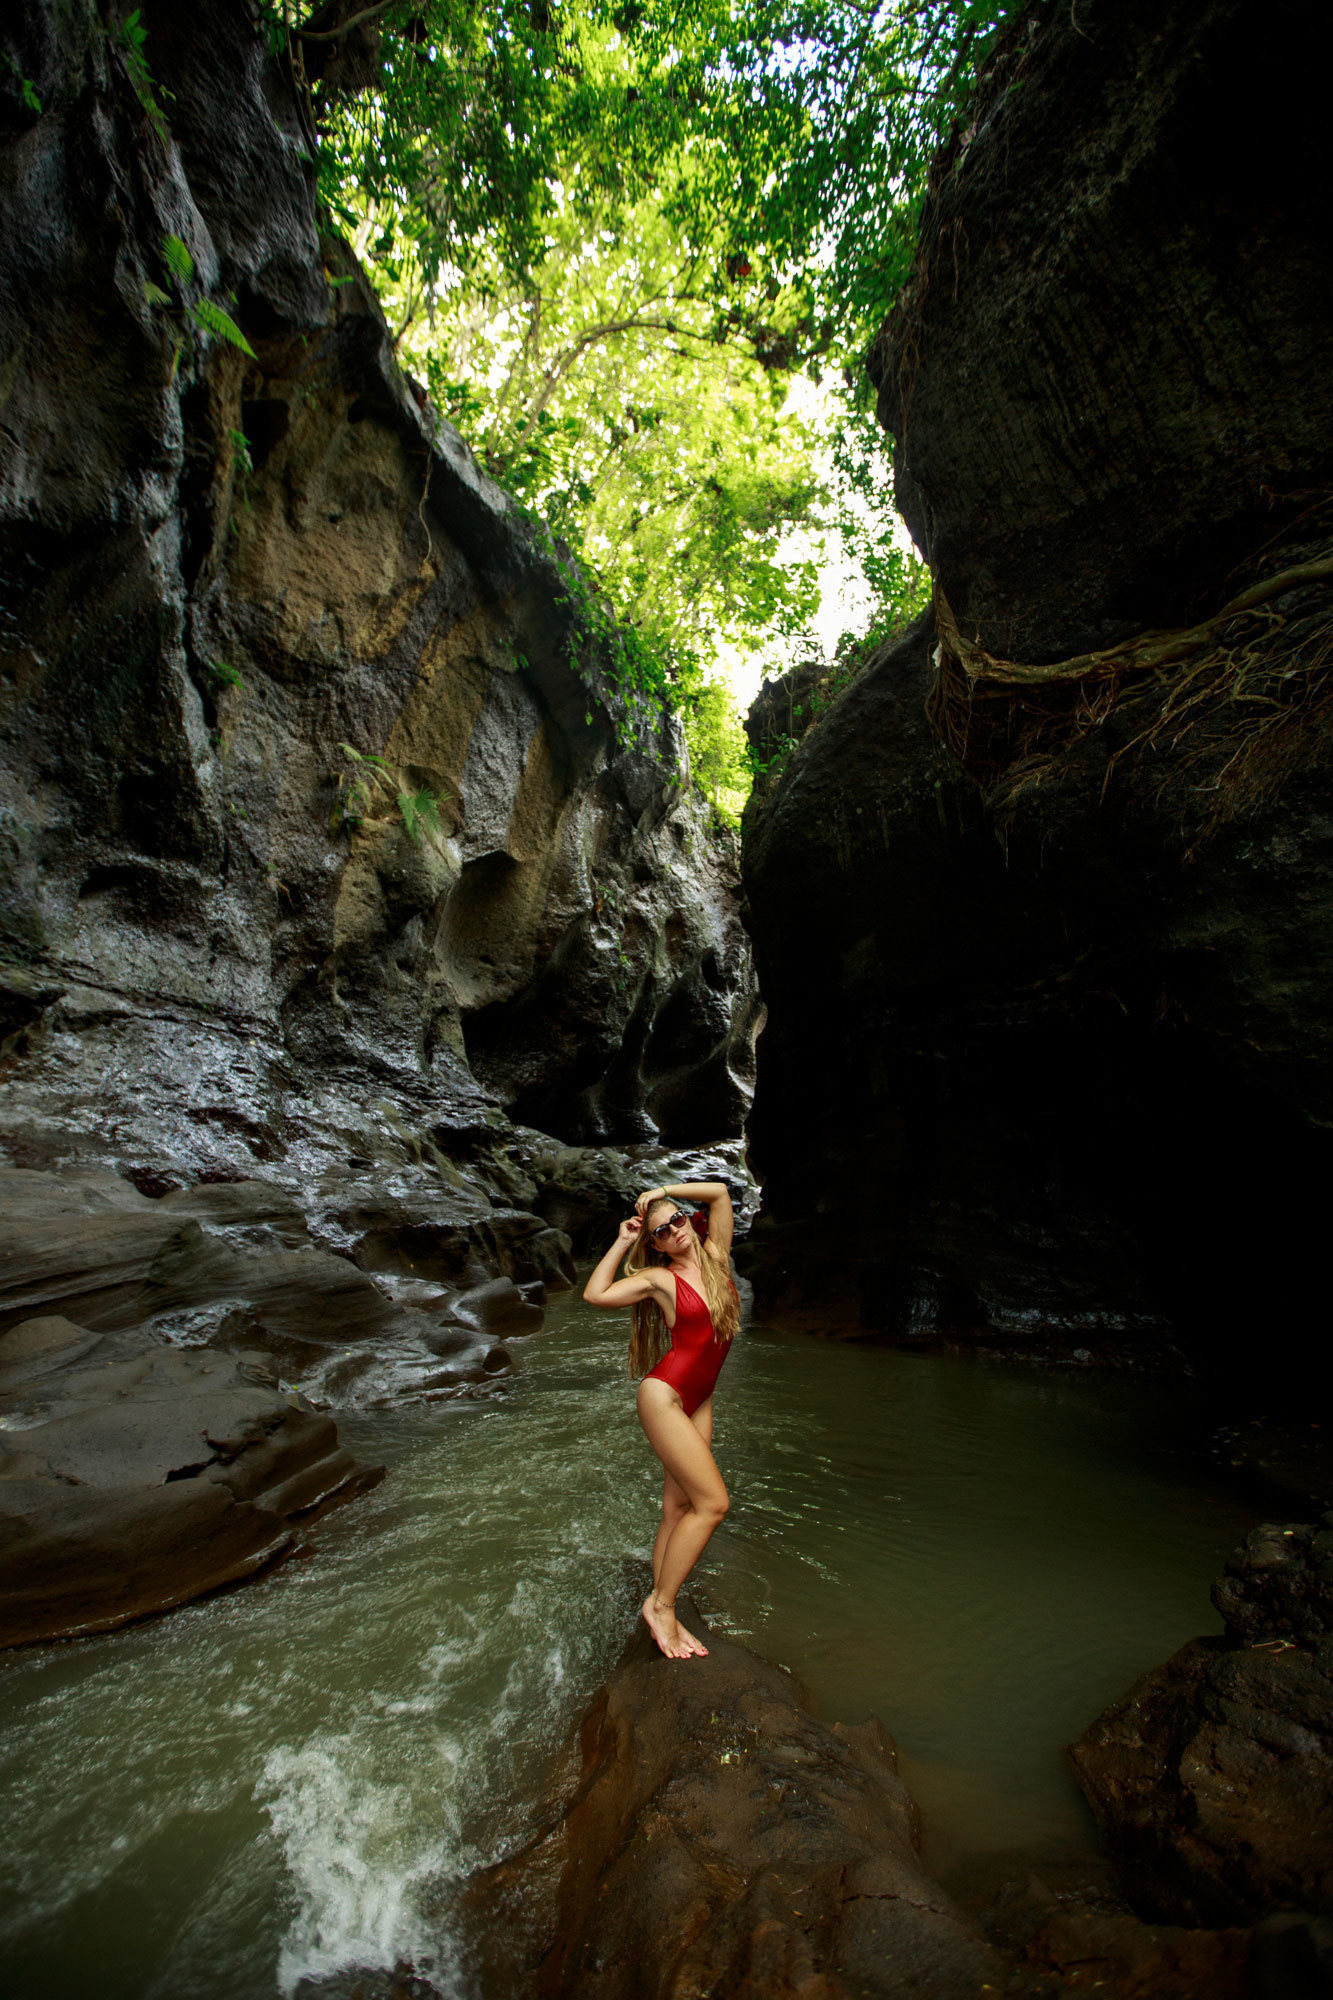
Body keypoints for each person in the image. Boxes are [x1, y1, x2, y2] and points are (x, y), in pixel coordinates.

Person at [583, 1179, 740, 1660]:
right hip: (665, 1396)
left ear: (687, 1220)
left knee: (678, 1508)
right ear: (655, 1245)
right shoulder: (662, 1279)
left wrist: (662, 1190)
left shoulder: (716, 1257)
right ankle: (662, 1605)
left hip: (700, 1399)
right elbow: (595, 1294)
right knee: (713, 1504)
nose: (674, 1231)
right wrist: (625, 1238)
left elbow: (717, 1193)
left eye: (677, 1220)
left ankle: (659, 1595)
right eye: (661, 1232)